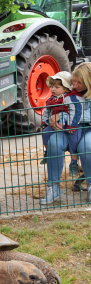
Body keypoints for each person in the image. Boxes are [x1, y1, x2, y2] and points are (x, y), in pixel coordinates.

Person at [41, 62, 91, 204]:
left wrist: (62, 116)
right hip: (68, 128)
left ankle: (90, 184)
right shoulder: (71, 92)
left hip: (87, 128)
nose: (74, 85)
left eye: (78, 83)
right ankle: (53, 187)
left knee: (86, 147)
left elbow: (80, 113)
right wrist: (56, 117)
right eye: (73, 81)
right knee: (54, 143)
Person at [38, 72, 74, 169]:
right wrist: (44, 123)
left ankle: (74, 161)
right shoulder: (51, 99)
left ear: (65, 88)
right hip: (52, 123)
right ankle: (47, 152)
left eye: (57, 87)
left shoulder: (68, 98)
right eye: (52, 86)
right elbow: (46, 111)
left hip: (67, 123)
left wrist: (62, 119)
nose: (53, 89)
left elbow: (72, 112)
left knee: (74, 142)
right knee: (45, 133)